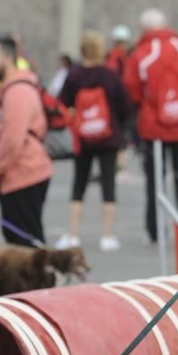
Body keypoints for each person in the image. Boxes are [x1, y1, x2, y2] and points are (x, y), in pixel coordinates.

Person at [123, 8, 178, 243]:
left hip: (153, 125)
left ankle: (155, 227)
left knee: (155, 181)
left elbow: (132, 87)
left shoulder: (142, 52)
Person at [57, 30, 133, 252]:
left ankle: (73, 234)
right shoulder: (110, 76)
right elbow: (125, 106)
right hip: (108, 136)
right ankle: (107, 236)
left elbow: (63, 102)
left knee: (79, 183)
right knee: (108, 183)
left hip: (82, 136)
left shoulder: (73, 75)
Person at [0, 36, 52, 246]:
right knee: (18, 238)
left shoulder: (18, 91)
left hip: (24, 172)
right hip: (16, 173)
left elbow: (13, 139)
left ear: (9, 57)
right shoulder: (8, 89)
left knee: (25, 241)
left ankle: (40, 280)